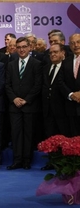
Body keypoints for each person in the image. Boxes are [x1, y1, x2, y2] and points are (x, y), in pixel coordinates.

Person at [5, 37, 42, 170]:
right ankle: (17, 160)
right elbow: (7, 85)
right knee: (16, 134)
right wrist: (14, 98)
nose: (21, 49)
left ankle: (27, 160)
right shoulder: (11, 64)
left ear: (30, 47)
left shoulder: (36, 64)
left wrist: (26, 99)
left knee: (28, 134)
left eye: (24, 47)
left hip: (30, 106)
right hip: (14, 106)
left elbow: (38, 85)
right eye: (19, 47)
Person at [41, 43, 69, 171]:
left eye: (55, 52)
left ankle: (64, 163)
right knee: (50, 136)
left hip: (63, 110)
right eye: (51, 53)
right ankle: (52, 161)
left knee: (64, 137)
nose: (53, 55)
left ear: (63, 53)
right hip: (48, 109)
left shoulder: (68, 68)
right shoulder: (46, 68)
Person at [58, 33, 80, 136]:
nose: (76, 45)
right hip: (71, 107)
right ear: (69, 46)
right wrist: (71, 94)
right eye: (72, 43)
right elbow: (61, 81)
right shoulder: (65, 62)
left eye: (78, 42)